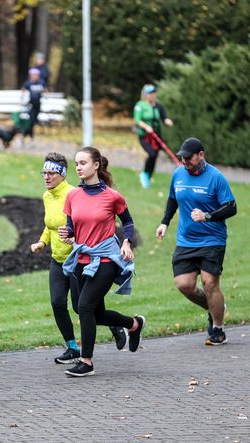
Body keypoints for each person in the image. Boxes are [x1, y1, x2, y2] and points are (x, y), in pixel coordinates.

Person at [31, 153, 127, 365]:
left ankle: (117, 325)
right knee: (57, 303)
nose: (46, 177)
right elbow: (50, 224)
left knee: (82, 308)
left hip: (79, 260)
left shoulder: (75, 193)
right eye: (44, 173)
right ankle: (73, 348)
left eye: (51, 173)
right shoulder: (47, 196)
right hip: (58, 259)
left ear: (62, 175)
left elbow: (93, 222)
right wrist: (42, 242)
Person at [58, 147, 145, 377]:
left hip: (105, 258)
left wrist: (126, 242)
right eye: (76, 163)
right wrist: (66, 233)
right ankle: (134, 324)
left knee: (85, 307)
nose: (78, 167)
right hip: (81, 258)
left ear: (96, 165)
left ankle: (86, 362)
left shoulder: (112, 196)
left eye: (83, 163)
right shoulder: (73, 196)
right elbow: (72, 226)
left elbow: (127, 222)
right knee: (84, 309)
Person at [155, 138, 237, 345]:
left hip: (212, 240)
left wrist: (207, 216)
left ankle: (217, 329)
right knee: (184, 285)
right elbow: (173, 199)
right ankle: (215, 307)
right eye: (182, 157)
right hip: (186, 241)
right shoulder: (178, 174)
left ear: (201, 155)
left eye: (188, 157)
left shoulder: (216, 177)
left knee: (210, 283)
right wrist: (164, 222)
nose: (184, 161)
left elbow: (231, 207)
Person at [134, 84, 174, 188]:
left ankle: (147, 177)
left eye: (153, 93)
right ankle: (144, 175)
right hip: (145, 136)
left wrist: (168, 121)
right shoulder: (140, 105)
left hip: (157, 136)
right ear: (145, 94)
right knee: (151, 154)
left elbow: (164, 118)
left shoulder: (159, 106)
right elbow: (137, 120)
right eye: (150, 93)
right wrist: (146, 127)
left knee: (155, 156)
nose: (152, 95)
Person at [21, 68, 46, 140]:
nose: (36, 76)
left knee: (34, 121)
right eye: (34, 75)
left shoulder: (41, 82)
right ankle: (28, 135)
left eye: (37, 75)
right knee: (31, 120)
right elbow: (23, 91)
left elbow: (45, 90)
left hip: (38, 105)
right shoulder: (28, 83)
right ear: (31, 75)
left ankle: (27, 134)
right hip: (30, 105)